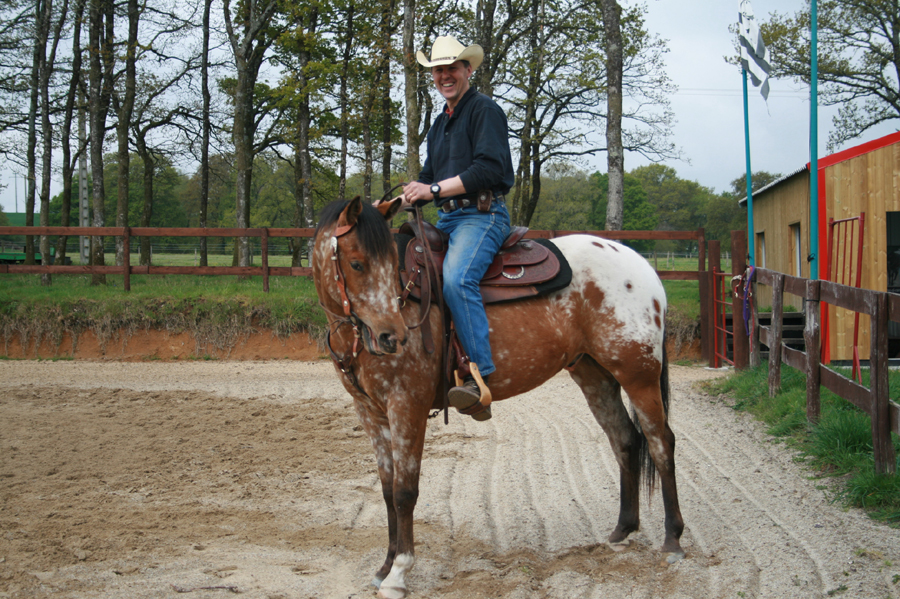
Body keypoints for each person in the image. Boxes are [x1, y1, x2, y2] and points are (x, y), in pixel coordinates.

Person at [401, 35, 514, 421]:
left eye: (452, 68)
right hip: (448, 218)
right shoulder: (439, 124)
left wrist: (432, 190)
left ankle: (477, 377)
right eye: (438, 70)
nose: (445, 76)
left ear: (468, 70)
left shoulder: (485, 111)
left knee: (457, 279)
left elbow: (489, 169)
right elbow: (429, 176)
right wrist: (407, 196)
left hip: (483, 216)